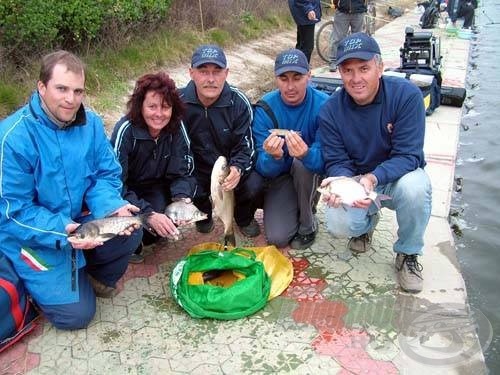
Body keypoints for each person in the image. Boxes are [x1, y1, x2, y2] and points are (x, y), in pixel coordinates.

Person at [0, 50, 143, 330]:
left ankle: (89, 275)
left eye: (78, 91)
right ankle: (37, 283)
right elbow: (13, 212)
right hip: (36, 236)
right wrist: (63, 230)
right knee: (76, 317)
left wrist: (111, 207)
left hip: (79, 222)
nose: (71, 99)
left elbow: (106, 173)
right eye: (61, 89)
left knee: (128, 227)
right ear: (41, 87)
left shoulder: (90, 123)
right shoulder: (13, 137)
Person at [318, 33, 432, 293]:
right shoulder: (330, 111)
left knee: (416, 189)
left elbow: (409, 155)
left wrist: (373, 178)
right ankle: (365, 226)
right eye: (348, 70)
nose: (356, 78)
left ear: (380, 68)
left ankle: (408, 253)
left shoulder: (407, 96)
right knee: (336, 222)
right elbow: (336, 160)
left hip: (398, 175)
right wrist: (340, 183)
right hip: (357, 181)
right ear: (339, 73)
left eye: (364, 68)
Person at [111, 72, 197, 263]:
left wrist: (182, 199)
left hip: (155, 187)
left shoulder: (176, 127)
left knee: (162, 224)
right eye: (152, 106)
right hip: (127, 191)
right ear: (140, 106)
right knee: (138, 228)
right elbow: (114, 183)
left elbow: (184, 171)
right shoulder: (125, 130)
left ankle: (150, 233)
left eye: (165, 107)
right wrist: (148, 214)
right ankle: (130, 243)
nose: (159, 114)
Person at [179, 44, 262, 238]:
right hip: (196, 169)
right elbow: (175, 147)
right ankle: (204, 214)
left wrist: (238, 169)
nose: (210, 79)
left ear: (226, 73)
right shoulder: (177, 101)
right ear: (191, 73)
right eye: (203, 71)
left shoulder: (239, 101)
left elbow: (247, 146)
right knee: (182, 184)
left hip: (228, 166)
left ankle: (242, 217)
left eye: (217, 72)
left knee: (255, 184)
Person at [253, 48, 329, 249]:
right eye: (283, 78)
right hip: (281, 177)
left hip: (312, 173)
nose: (290, 86)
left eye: (297, 77)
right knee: (277, 238)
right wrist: (274, 157)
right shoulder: (264, 109)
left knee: (301, 164)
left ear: (309, 76)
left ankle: (308, 224)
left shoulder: (325, 105)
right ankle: (291, 204)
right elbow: (262, 167)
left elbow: (328, 157)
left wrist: (306, 154)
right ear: (276, 79)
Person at [328, 0, 367, 71]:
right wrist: (336, 5)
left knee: (358, 38)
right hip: (342, 11)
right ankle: (333, 61)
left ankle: (357, 59)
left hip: (359, 11)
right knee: (338, 38)